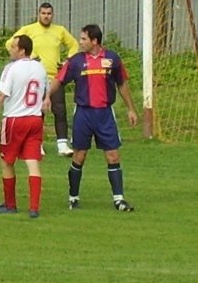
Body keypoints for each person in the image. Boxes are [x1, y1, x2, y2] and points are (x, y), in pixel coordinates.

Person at [45, 24, 138, 212]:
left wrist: (131, 109)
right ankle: (73, 197)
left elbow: (122, 84)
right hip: (83, 114)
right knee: (80, 155)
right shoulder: (76, 61)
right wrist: (47, 97)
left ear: (94, 41)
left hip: (105, 114)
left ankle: (119, 200)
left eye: (84, 39)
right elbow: (59, 80)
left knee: (113, 155)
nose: (80, 42)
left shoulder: (112, 59)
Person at [0, 35, 48, 218]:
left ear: (22, 50)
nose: (10, 49)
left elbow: (1, 95)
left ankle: (10, 204)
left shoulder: (11, 68)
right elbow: (44, 92)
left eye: (13, 46)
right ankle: (34, 208)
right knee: (32, 162)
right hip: (35, 119)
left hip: (15, 120)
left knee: (7, 161)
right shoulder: (40, 68)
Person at [8, 2, 79, 157]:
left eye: (49, 13)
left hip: (55, 78)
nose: (46, 16)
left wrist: (68, 60)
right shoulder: (29, 29)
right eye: (43, 13)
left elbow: (74, 45)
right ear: (38, 14)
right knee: (36, 112)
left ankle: (62, 145)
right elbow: (10, 43)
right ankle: (36, 143)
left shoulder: (59, 30)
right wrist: (30, 57)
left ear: (52, 15)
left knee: (59, 110)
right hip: (35, 78)